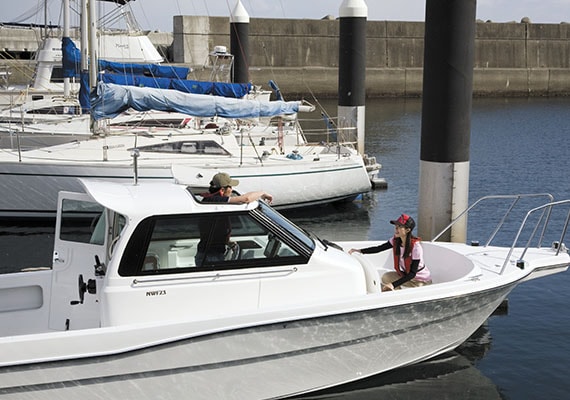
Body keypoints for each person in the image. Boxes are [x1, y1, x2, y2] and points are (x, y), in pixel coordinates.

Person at [195, 172, 273, 266]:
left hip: (209, 254)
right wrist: (262, 193)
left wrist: (226, 242)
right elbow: (246, 199)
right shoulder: (217, 201)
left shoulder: (210, 200)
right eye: (230, 187)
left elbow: (212, 229)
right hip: (211, 257)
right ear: (223, 190)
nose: (232, 190)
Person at [349, 214, 432, 292]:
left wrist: (393, 284)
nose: (396, 228)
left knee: (391, 284)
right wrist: (360, 251)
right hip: (407, 277)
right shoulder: (395, 241)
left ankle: (400, 295)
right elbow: (379, 248)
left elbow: (412, 274)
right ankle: (398, 296)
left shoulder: (416, 247)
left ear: (407, 230)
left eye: (399, 226)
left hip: (421, 281)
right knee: (386, 277)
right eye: (396, 226)